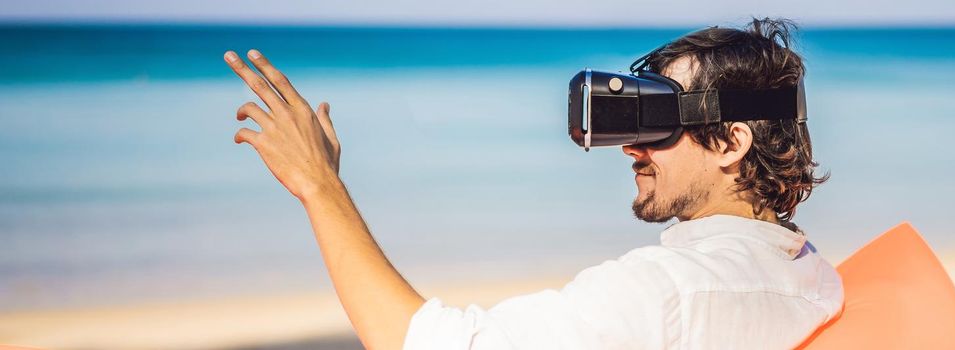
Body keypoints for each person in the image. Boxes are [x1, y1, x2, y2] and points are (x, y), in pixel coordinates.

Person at [224, 17, 843, 350]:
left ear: (732, 143)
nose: (631, 145)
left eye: (659, 122)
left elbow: (428, 345)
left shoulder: (667, 294)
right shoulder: (812, 275)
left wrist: (319, 185)